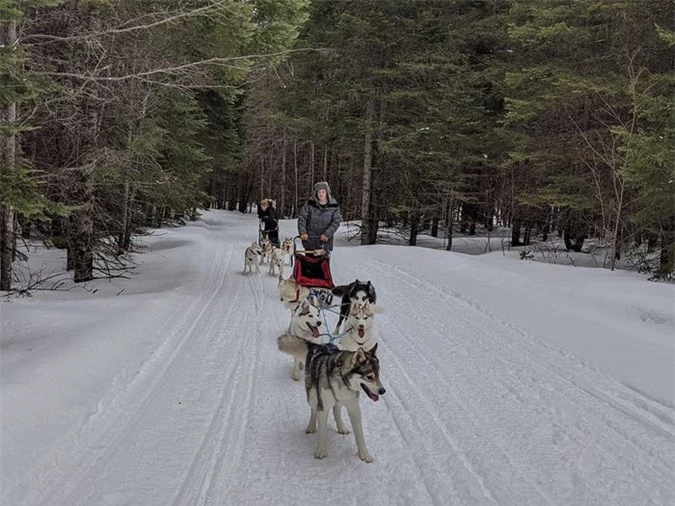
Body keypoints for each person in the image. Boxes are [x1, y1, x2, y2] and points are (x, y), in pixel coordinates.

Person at [297, 182, 341, 251]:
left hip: (325, 241)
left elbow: (336, 222)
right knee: (308, 260)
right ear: (316, 193)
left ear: (327, 192)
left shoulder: (334, 205)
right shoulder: (310, 204)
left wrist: (327, 234)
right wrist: (303, 232)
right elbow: (302, 217)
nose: (321, 194)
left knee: (323, 261)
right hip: (310, 240)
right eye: (319, 192)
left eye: (323, 192)